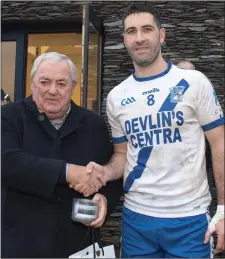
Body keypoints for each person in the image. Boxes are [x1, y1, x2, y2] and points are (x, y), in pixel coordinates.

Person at [74, 3, 224, 258]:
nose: (139, 37)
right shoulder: (116, 97)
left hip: (188, 219)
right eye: (131, 31)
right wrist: (106, 171)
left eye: (147, 29)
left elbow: (219, 143)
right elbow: (122, 155)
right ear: (124, 39)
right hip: (137, 220)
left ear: (161, 35)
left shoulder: (192, 82)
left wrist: (223, 208)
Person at [1, 52, 123, 258]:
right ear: (32, 83)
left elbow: (109, 173)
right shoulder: (9, 117)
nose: (52, 91)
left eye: (61, 83)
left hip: (79, 246)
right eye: (45, 82)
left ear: (73, 87)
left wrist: (104, 199)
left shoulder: (93, 124)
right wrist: (67, 172)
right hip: (21, 246)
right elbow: (8, 163)